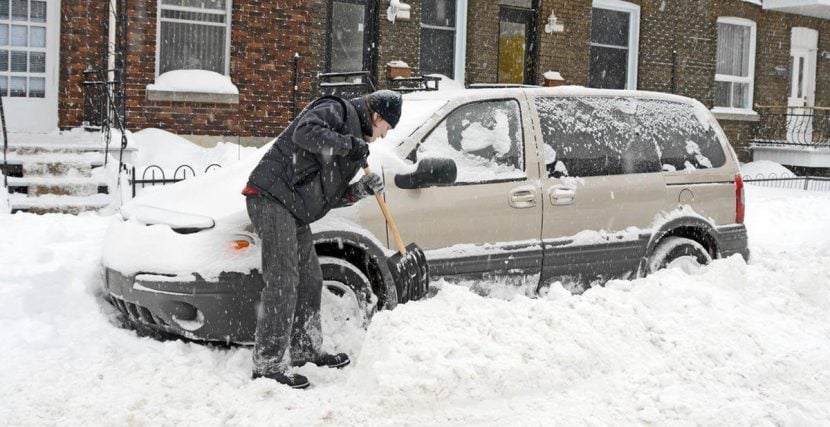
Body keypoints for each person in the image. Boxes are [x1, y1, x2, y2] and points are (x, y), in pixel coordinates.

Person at [242, 90, 402, 389]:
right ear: (377, 116)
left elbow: (328, 195)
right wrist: (347, 145)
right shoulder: (337, 110)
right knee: (283, 280)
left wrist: (360, 190)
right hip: (271, 198)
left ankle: (305, 347)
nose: (382, 137)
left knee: (311, 279)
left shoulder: (353, 146)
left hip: (294, 208)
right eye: (386, 129)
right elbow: (305, 132)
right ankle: (268, 363)